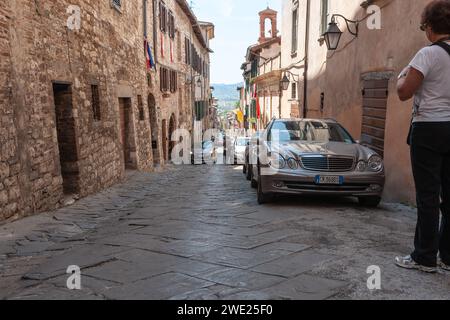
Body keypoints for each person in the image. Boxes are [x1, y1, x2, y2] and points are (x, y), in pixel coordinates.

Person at [395, 0, 450, 273]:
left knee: (428, 195)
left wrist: (400, 78)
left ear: (429, 27)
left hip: (429, 128)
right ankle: (448, 258)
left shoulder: (427, 54)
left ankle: (424, 257)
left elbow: (405, 91)